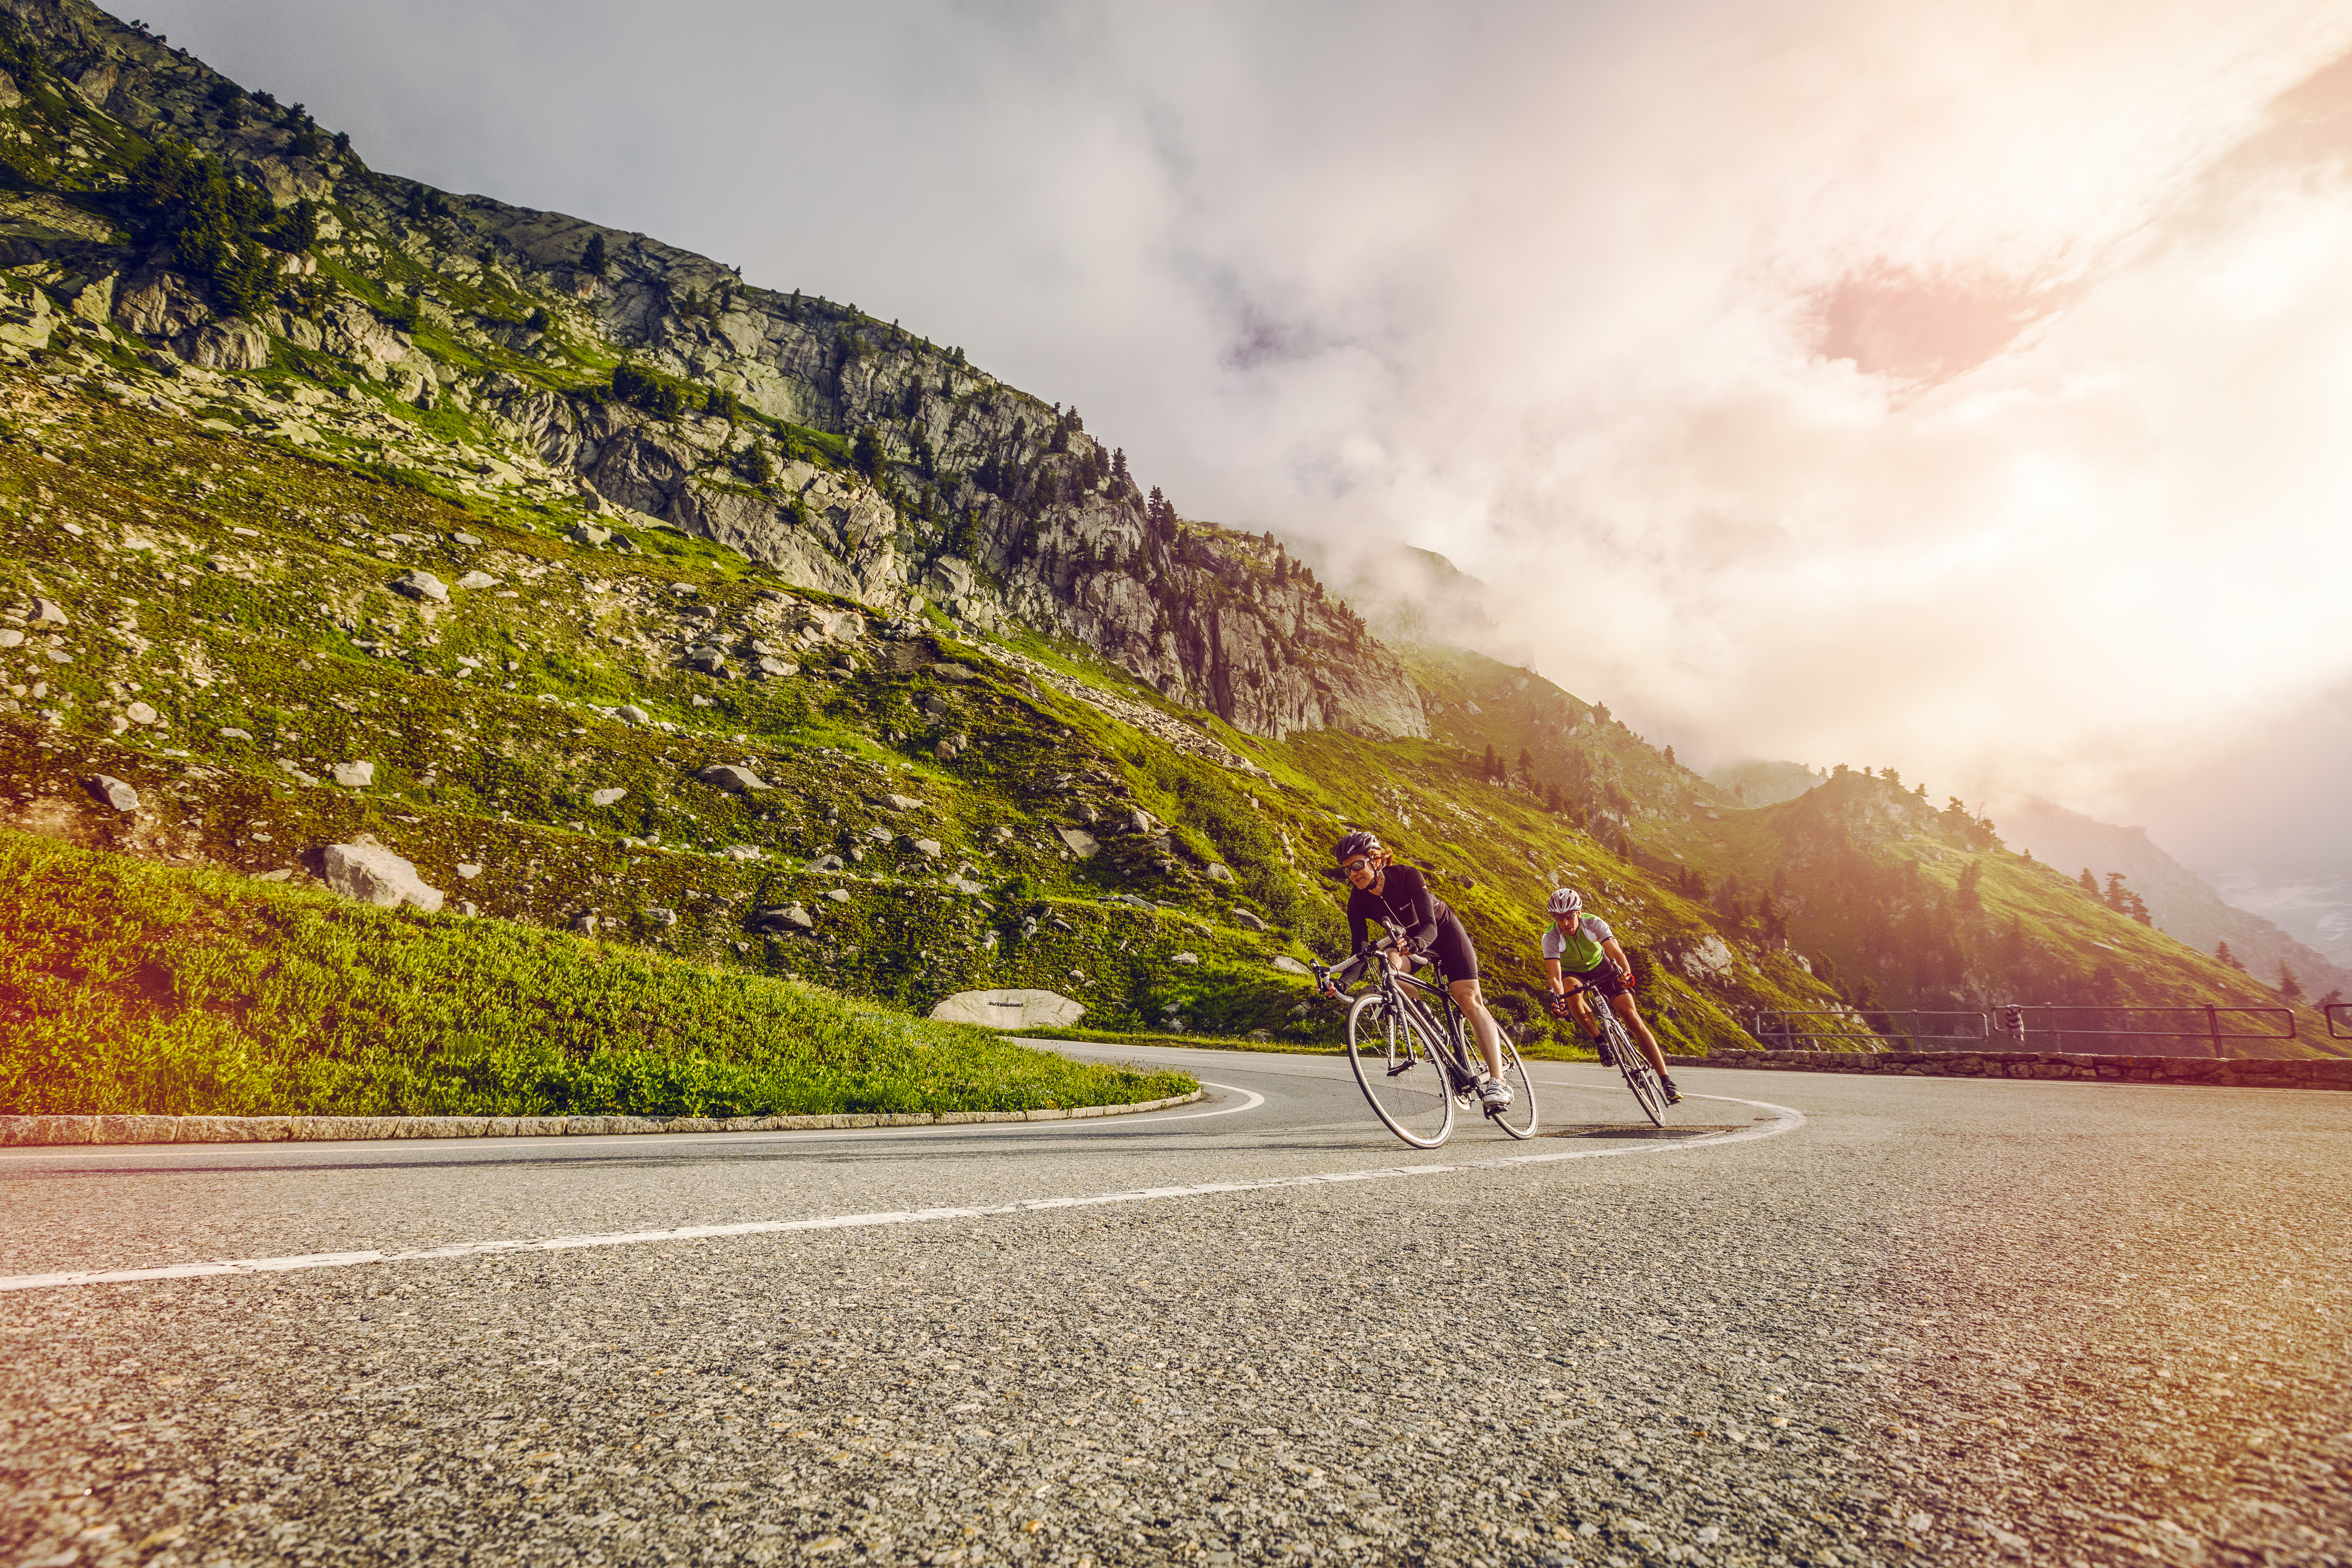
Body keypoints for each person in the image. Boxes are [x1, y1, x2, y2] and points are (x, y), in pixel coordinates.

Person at [1319, 831, 1515, 1109]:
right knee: (1387, 964)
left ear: (1376, 860)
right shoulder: (1358, 900)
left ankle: (1498, 1082)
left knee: (1468, 998)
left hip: (1442, 934)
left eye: (1357, 865)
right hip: (1408, 944)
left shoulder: (1406, 875)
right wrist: (1342, 984)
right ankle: (1432, 1028)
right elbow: (1359, 953)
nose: (1352, 873)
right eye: (1346, 869)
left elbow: (1431, 926)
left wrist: (1416, 943)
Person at [1540, 886, 1680, 1105]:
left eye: (1569, 916)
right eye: (1559, 918)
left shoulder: (1594, 923)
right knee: (1569, 989)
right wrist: (1560, 1000)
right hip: (1573, 973)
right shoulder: (1550, 937)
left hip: (1601, 967)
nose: (1565, 923)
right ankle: (1600, 1040)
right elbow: (1555, 978)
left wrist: (1626, 974)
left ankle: (1667, 1082)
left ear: (1578, 912)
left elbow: (1616, 953)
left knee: (1632, 1018)